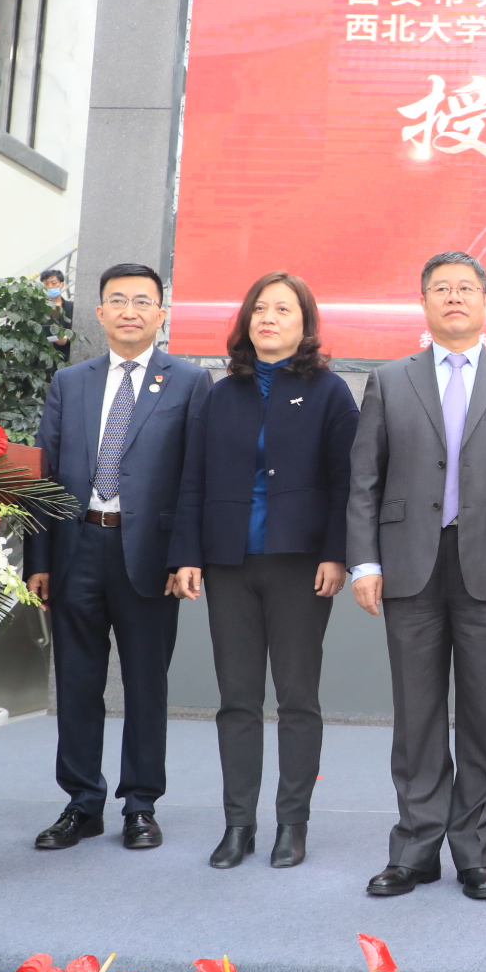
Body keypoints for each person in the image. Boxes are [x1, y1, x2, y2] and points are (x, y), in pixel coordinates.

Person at [347, 251, 486, 901]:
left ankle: (477, 853)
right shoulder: (390, 381)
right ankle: (414, 850)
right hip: (408, 564)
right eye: (441, 288)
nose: (454, 297)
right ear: (424, 302)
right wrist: (365, 561)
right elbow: (365, 480)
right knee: (417, 716)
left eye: (466, 288)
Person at [171, 273, 358, 870]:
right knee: (237, 700)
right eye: (260, 309)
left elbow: (347, 483)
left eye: (283, 309)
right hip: (229, 563)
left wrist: (337, 553)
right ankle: (239, 825)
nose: (269, 318)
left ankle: (292, 824)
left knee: (298, 698)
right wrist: (186, 555)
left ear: (305, 324)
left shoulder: (329, 392)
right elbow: (192, 479)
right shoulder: (220, 394)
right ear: (246, 322)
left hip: (301, 565)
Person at [26, 263, 210, 853]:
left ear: (161, 314)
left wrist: (187, 555)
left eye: (142, 301)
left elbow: (196, 477)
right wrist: (39, 558)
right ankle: (82, 803)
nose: (130, 311)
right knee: (76, 682)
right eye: (118, 300)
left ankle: (140, 804)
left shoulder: (190, 381)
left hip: (150, 555)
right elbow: (44, 475)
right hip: (76, 545)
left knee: (146, 683)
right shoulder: (69, 382)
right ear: (100, 312)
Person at [41, 268, 74, 359]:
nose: (50, 286)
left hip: (67, 356)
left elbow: (79, 330)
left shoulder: (72, 307)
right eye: (46, 284)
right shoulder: (37, 308)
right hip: (43, 357)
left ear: (62, 284)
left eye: (54, 283)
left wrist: (67, 339)